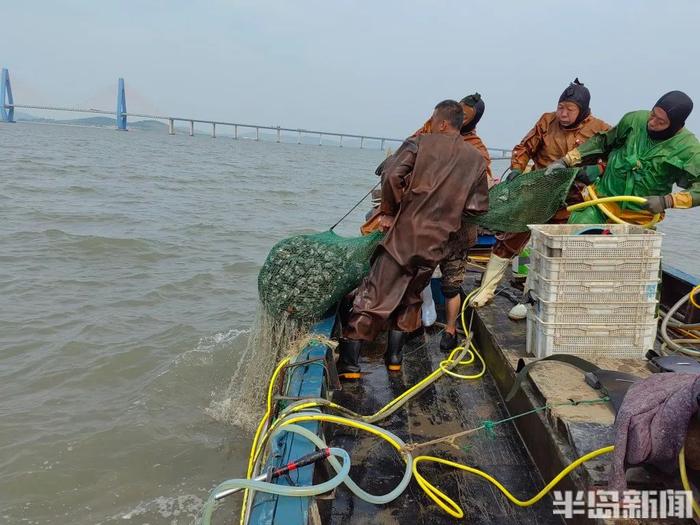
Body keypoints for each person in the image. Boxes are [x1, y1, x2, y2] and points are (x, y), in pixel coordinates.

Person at [337, 100, 489, 380]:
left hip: (404, 238)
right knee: (410, 299)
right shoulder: (476, 159)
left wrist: (388, 211)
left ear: (442, 123)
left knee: (372, 297)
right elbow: (478, 207)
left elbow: (392, 174)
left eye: (433, 120)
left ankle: (349, 365)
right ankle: (394, 359)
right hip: (437, 244)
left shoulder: (420, 142)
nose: (429, 124)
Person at [469, 79, 610, 312]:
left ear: (582, 110)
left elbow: (615, 157)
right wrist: (516, 167)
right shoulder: (547, 121)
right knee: (510, 239)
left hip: (572, 200)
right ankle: (486, 290)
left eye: (569, 109)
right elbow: (525, 147)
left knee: (563, 249)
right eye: (560, 107)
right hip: (538, 191)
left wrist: (598, 169)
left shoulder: (600, 129)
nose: (563, 113)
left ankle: (554, 298)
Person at [411, 93, 494, 349]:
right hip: (445, 229)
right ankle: (434, 325)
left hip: (447, 231)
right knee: (434, 279)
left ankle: (447, 329)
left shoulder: (471, 150)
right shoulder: (461, 150)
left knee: (445, 282)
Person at [546, 90, 700, 224]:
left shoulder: (689, 149)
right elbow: (603, 141)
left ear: (676, 125)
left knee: (644, 256)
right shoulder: (634, 120)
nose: (652, 123)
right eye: (652, 114)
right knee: (576, 235)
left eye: (661, 122)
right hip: (602, 203)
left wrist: (668, 201)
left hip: (641, 217)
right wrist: (566, 160)